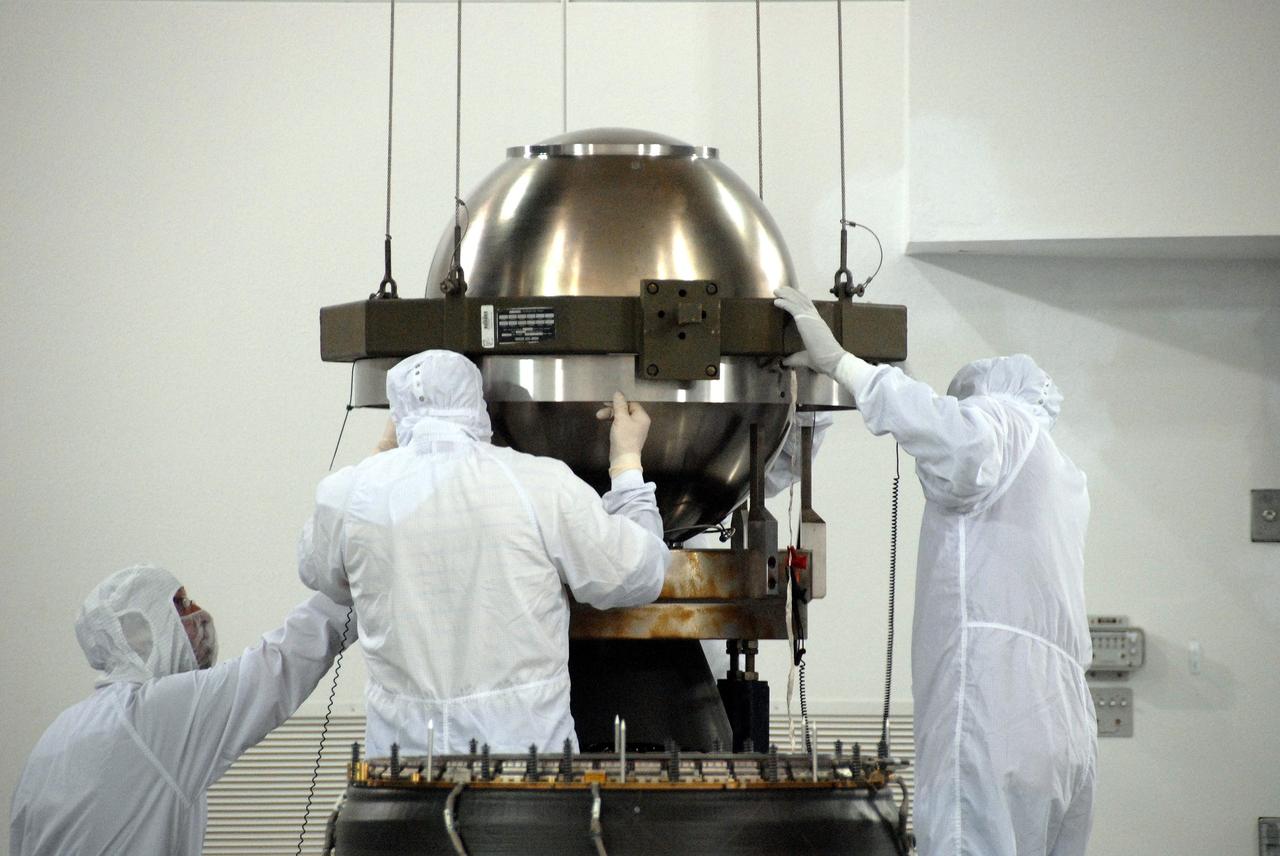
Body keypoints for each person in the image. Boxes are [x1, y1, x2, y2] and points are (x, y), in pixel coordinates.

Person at [774, 286, 1096, 856]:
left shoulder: (1005, 426)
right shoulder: (1058, 472)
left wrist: (843, 367)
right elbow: (947, 434)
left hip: (996, 705)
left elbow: (960, 445)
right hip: (1064, 724)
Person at [298, 349, 670, 757]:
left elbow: (319, 572)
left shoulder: (348, 495)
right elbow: (639, 573)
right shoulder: (539, 485)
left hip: (403, 774)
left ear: (396, 410)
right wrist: (627, 463)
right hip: (523, 769)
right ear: (479, 405)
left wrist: (383, 452)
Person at [9, 564, 355, 856]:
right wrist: (360, 577)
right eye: (180, 603)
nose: (197, 614)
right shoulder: (149, 714)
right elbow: (282, 660)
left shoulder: (57, 734)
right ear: (140, 627)